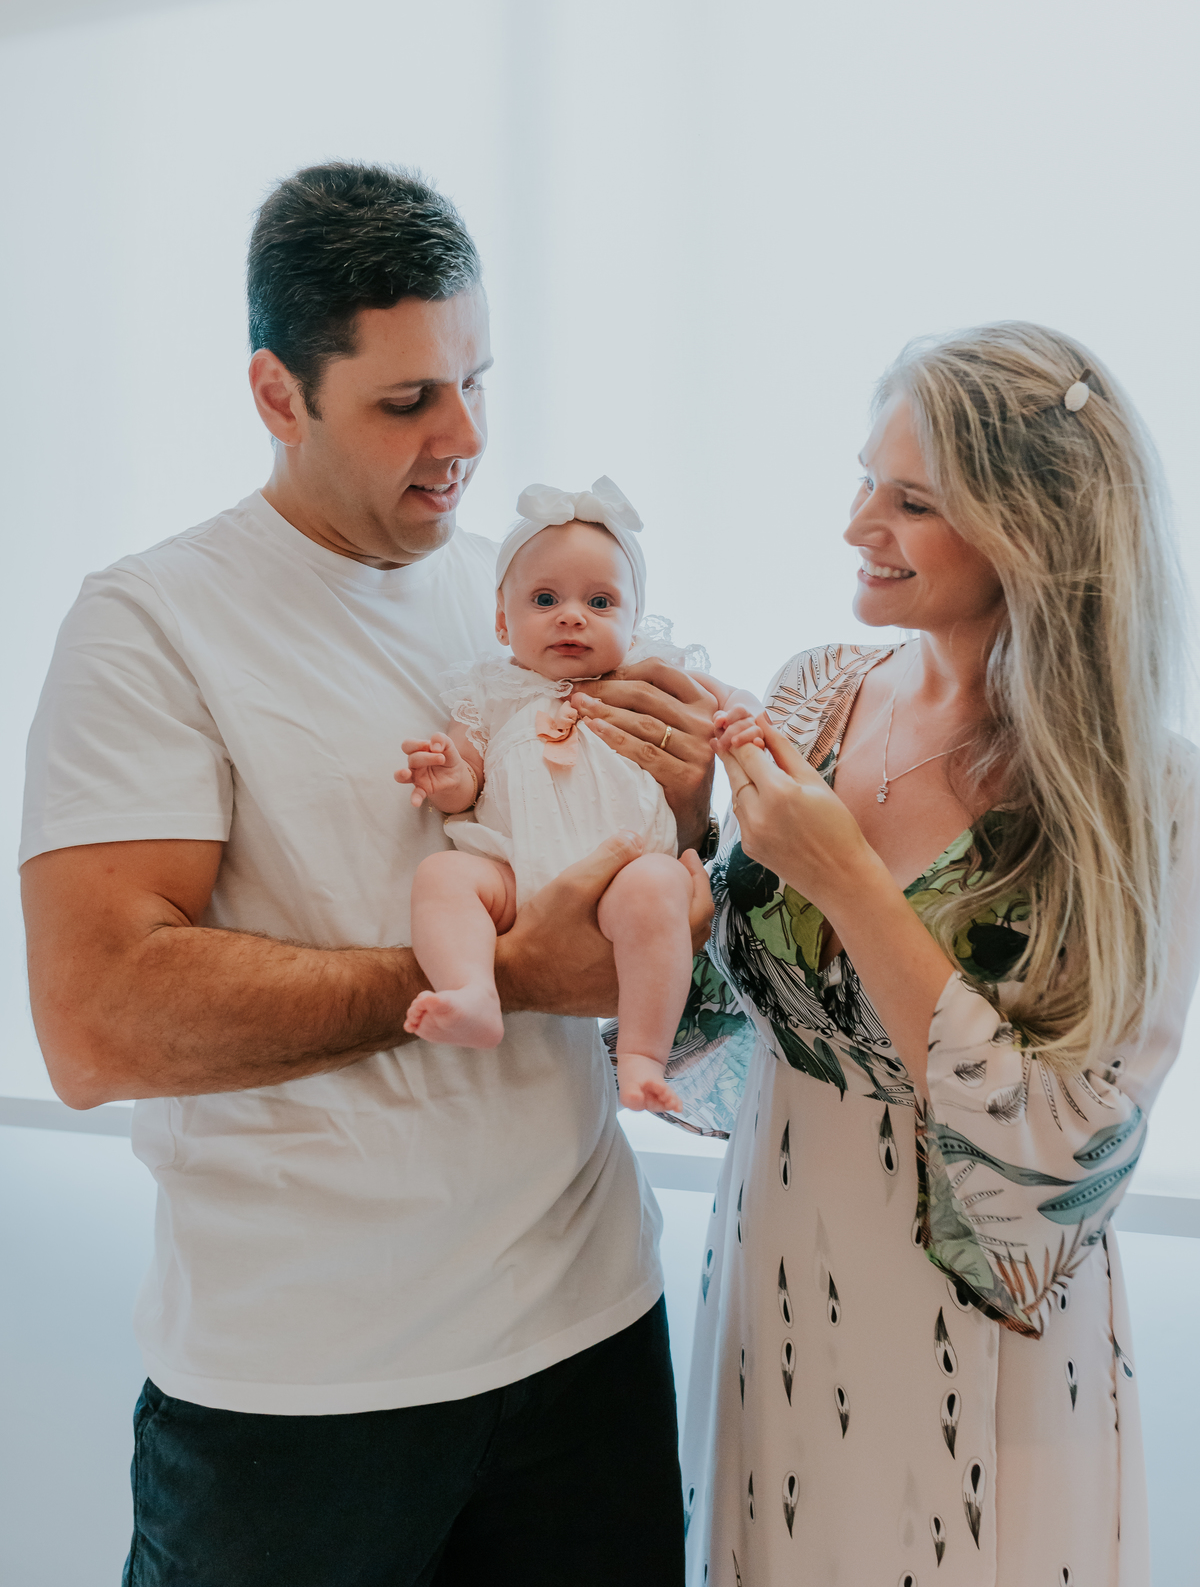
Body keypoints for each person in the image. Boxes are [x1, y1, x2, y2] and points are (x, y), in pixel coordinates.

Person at [18, 162, 719, 1587]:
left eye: (474, 379)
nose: (463, 437)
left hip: (586, 1343)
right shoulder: (150, 625)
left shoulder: (530, 598)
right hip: (302, 1403)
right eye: (407, 401)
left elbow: (646, 868)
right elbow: (96, 1022)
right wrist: (494, 976)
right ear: (279, 394)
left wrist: (692, 814)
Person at [671, 323, 1200, 1586]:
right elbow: (724, 1020)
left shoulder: (1148, 800)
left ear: (1032, 531)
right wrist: (673, 839)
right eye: (865, 479)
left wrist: (848, 878)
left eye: (912, 501)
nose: (860, 525)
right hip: (780, 1274)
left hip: (982, 1339)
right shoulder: (812, 696)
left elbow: (1071, 1146)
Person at [398, 475, 760, 1111]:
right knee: (443, 875)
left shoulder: (652, 669)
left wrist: (739, 719)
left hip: (627, 869)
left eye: (600, 602)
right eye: (545, 599)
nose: (572, 615)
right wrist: (445, 773)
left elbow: (731, 703)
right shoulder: (490, 690)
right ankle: (474, 992)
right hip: (517, 873)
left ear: (634, 619)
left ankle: (642, 1056)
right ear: (503, 623)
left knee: (655, 891)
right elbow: (465, 784)